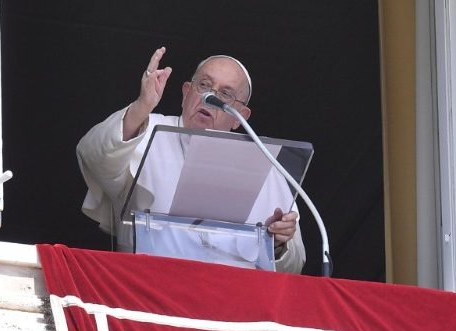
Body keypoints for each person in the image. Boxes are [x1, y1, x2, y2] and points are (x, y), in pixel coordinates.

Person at [76, 47, 305, 273]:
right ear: (186, 93)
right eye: (204, 85)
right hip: (149, 285)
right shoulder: (145, 128)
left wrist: (277, 243)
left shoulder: (262, 162)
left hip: (230, 298)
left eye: (225, 94)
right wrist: (141, 107)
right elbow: (93, 155)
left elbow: (295, 264)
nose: (210, 97)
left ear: (240, 118)